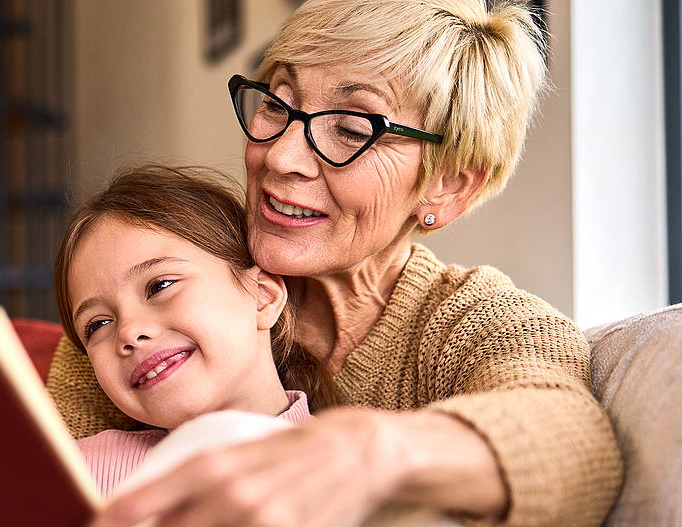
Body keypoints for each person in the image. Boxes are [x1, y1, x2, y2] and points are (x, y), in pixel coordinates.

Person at [49, 0, 624, 526]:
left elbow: (575, 441)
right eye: (278, 103)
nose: (281, 155)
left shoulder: (468, 322)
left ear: (447, 187)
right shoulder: (152, 310)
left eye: (352, 128)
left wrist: (370, 451)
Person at [55, 164, 315, 497]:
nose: (129, 332)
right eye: (98, 324)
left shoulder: (360, 469)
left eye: (159, 285)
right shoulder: (76, 473)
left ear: (262, 297)